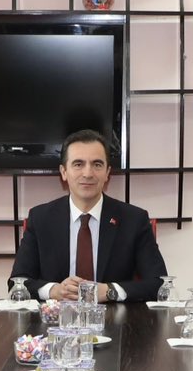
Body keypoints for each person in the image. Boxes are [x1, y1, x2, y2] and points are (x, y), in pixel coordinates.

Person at [9, 129, 169, 303]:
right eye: (78, 164)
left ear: (107, 172)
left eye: (97, 164)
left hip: (115, 318)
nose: (88, 173)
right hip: (55, 317)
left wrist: (110, 291)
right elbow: (17, 283)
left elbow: (159, 284)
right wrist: (54, 290)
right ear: (64, 172)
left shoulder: (134, 220)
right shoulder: (41, 218)